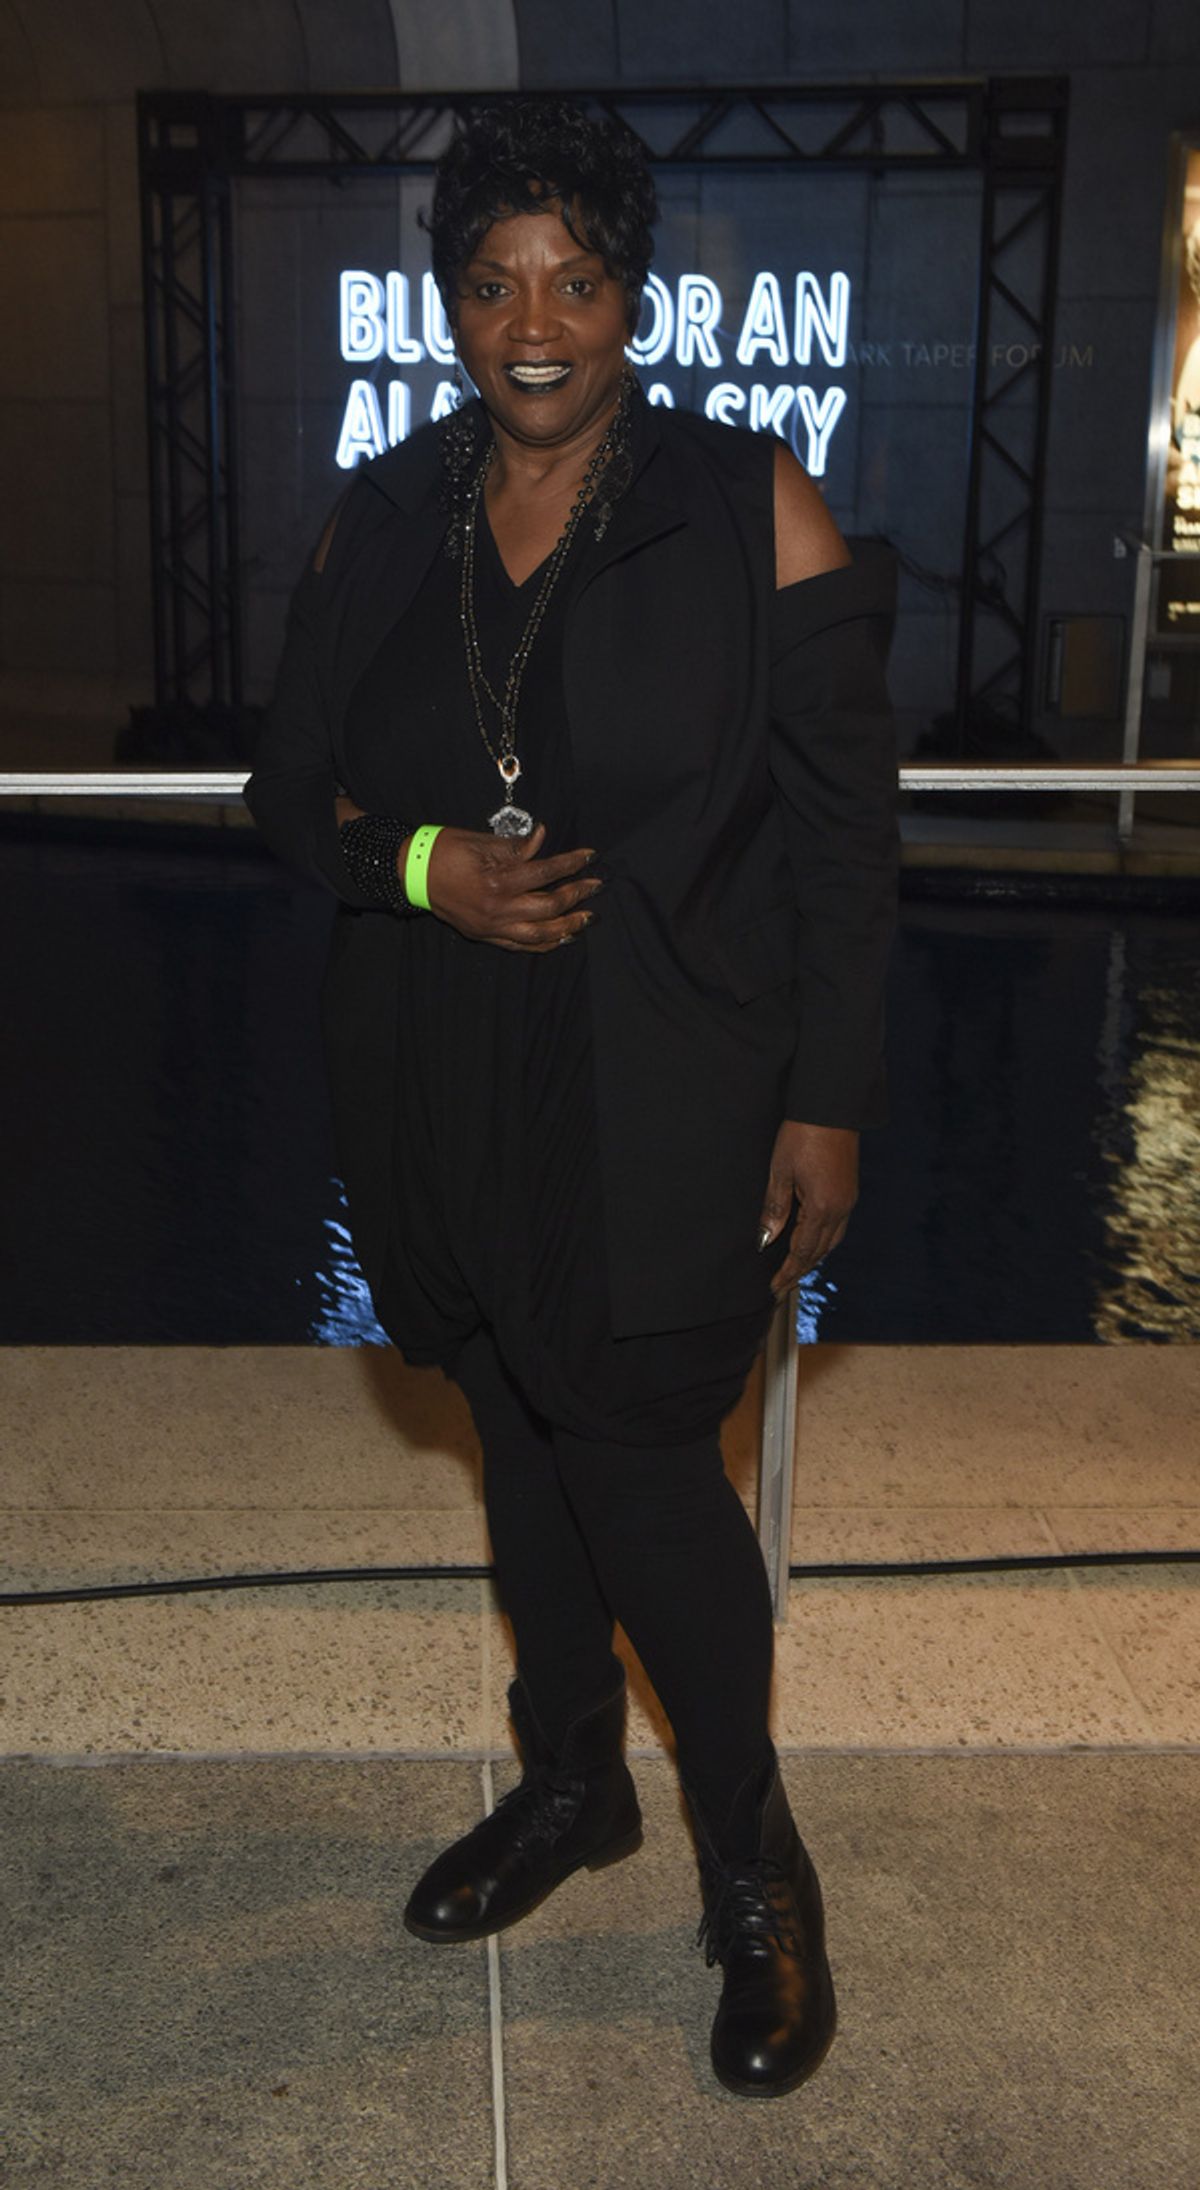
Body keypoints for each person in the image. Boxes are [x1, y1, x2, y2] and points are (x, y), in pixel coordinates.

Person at [244, 97, 897, 2101]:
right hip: (444, 1083)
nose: (536, 318)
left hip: (672, 1087)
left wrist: (830, 1102)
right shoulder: (384, 511)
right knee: (520, 1440)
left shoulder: (748, 508)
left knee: (641, 1478)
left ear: (631, 300)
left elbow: (845, 850)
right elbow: (291, 801)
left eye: (577, 279)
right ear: (452, 302)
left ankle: (754, 1870)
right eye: (495, 279)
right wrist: (431, 867)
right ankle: (568, 1790)